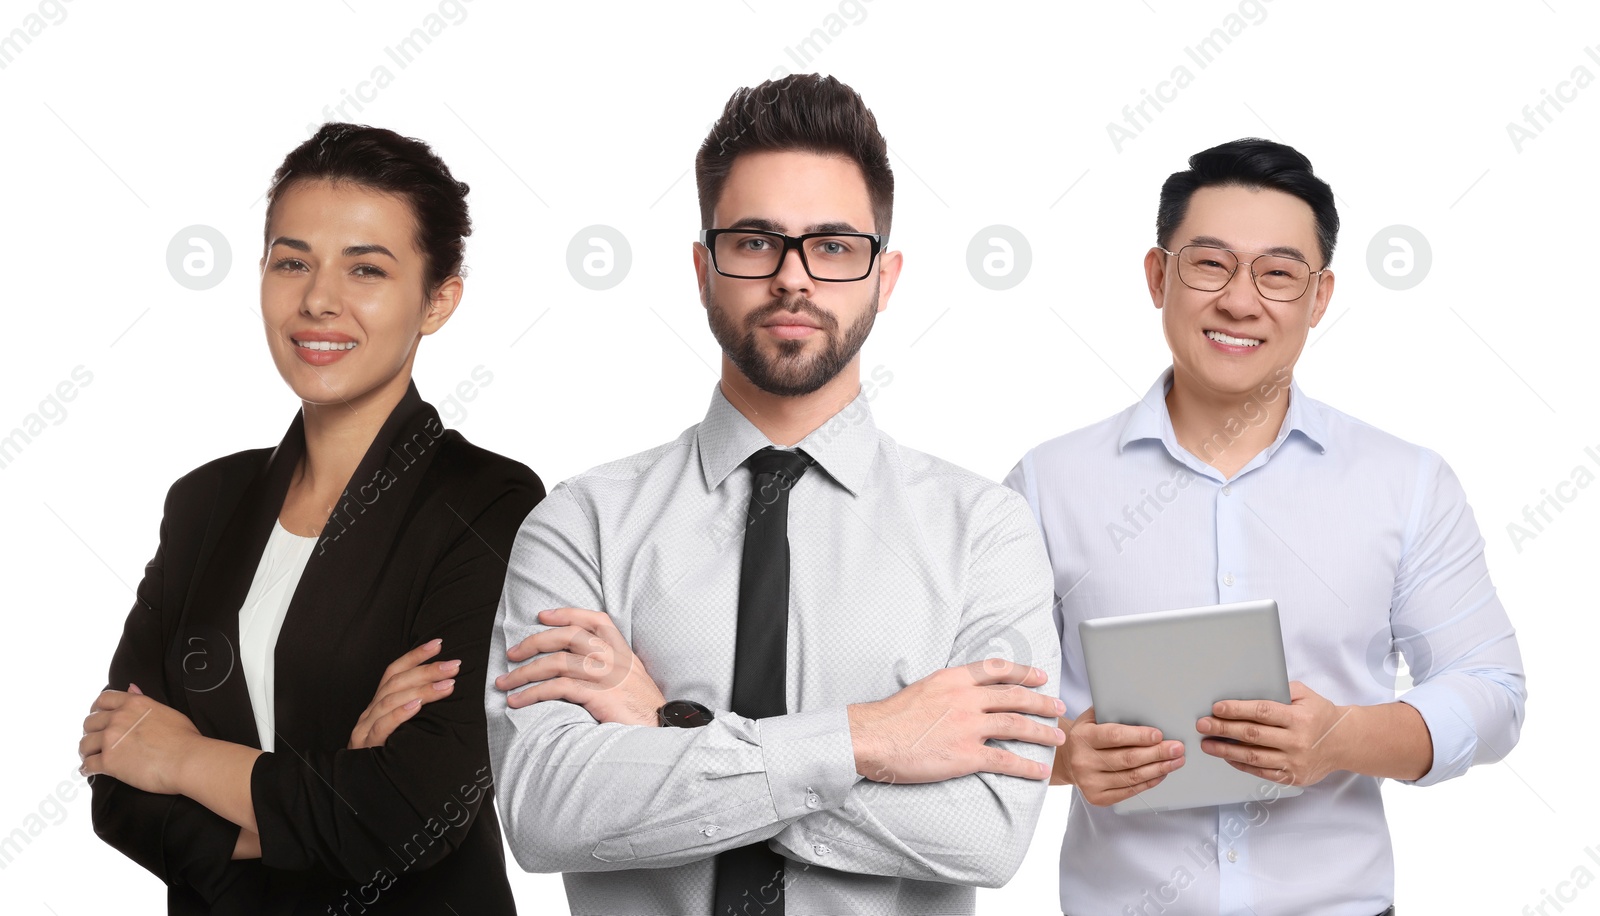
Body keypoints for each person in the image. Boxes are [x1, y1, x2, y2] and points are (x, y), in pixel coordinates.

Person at [484, 73, 1064, 916]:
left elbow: (986, 833)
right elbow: (546, 813)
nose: (793, 278)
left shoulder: (985, 532)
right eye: (756, 241)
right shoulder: (581, 524)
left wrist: (670, 729)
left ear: (885, 275)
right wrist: (872, 738)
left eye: (832, 246)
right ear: (703, 267)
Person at [1005, 138, 1526, 916]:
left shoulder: (1406, 483)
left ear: (1319, 299)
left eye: (1279, 274)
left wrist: (1345, 737)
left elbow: (1492, 694)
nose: (1241, 302)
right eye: (1209, 264)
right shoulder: (1048, 485)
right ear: (1158, 277)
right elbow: (979, 711)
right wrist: (1062, 757)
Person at [81, 123, 542, 915]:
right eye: (291, 262)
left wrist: (187, 761)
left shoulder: (488, 502)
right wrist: (332, 788)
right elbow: (115, 780)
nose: (318, 299)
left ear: (438, 300)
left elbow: (415, 813)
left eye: (366, 268)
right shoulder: (203, 504)